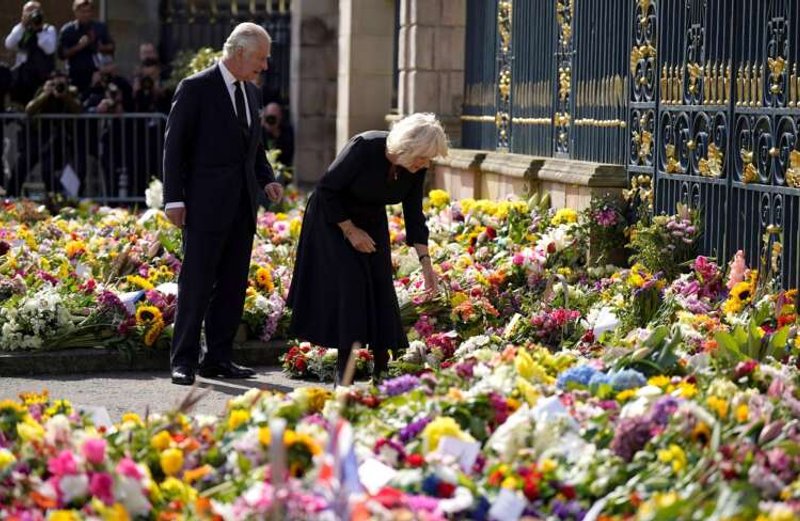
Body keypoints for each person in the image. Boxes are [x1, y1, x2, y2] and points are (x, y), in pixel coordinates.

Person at [287, 113, 448, 385]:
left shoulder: (416, 168)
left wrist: (427, 265)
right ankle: (344, 370)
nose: (426, 164)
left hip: (371, 219)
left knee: (380, 281)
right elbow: (327, 189)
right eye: (424, 157)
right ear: (408, 148)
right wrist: (350, 231)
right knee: (351, 284)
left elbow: (414, 214)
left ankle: (382, 366)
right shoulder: (364, 147)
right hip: (333, 217)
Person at [163, 22, 283, 386]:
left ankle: (217, 358)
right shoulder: (195, 88)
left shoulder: (251, 93)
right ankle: (183, 360)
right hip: (203, 206)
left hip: (242, 205)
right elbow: (174, 147)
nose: (264, 66)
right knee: (196, 285)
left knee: (232, 287)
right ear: (240, 52)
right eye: (261, 58)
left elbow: (253, 147)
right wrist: (173, 199)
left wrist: (268, 178)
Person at [7, 71, 81, 196]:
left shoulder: (71, 92)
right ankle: (11, 197)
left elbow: (78, 109)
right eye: (55, 81)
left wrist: (65, 96)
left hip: (59, 137)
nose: (58, 85)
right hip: (39, 135)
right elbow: (29, 109)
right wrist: (46, 94)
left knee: (48, 171)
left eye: (61, 81)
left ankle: (56, 200)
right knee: (21, 167)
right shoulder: (43, 90)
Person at [4, 1, 57, 105]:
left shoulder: (48, 29)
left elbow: (50, 49)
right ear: (23, 13)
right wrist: (22, 25)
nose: (32, 13)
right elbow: (9, 44)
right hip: (22, 80)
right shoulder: (20, 29)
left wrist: (39, 30)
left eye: (35, 10)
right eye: (29, 11)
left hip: (42, 78)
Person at [58, 0, 114, 95]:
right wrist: (79, 46)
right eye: (82, 12)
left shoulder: (100, 28)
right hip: (75, 75)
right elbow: (62, 54)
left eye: (88, 11)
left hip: (97, 75)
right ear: (75, 12)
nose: (85, 15)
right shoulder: (68, 30)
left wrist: (99, 47)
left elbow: (111, 47)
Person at [260, 102, 294, 166]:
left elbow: (287, 154)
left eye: (273, 117)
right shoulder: (261, 131)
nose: (271, 120)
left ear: (280, 116)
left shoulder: (286, 131)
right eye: (269, 117)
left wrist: (276, 134)